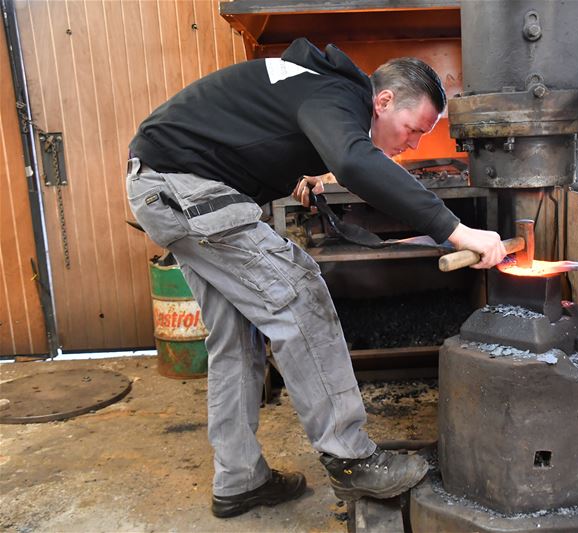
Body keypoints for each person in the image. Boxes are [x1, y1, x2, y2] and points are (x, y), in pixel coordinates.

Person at [126, 37, 505, 518]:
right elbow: (352, 160)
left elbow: (258, 133)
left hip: (166, 185)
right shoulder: (338, 94)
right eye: (413, 129)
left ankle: (239, 480)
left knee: (237, 339)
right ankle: (351, 460)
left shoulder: (317, 89)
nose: (413, 144)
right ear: (382, 101)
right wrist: (456, 229)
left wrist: (299, 168)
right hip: (187, 187)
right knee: (300, 300)